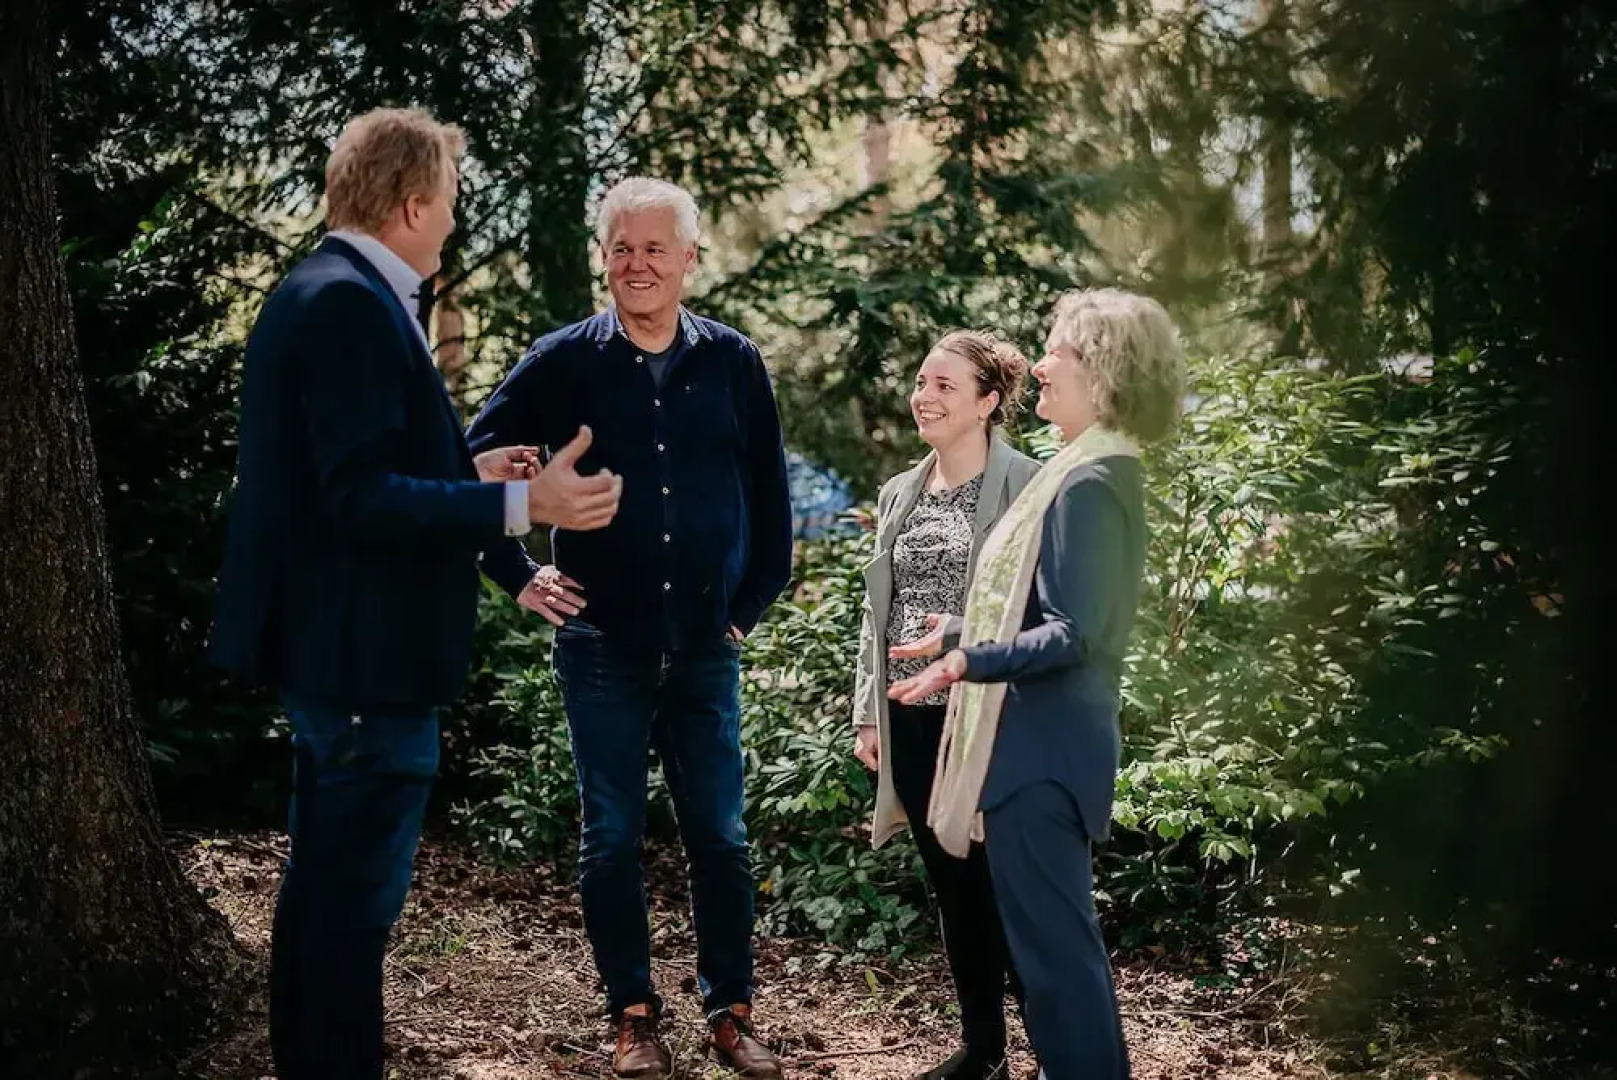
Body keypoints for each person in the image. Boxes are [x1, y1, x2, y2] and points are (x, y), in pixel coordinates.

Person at [207, 107, 620, 1079]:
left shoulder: (326, 289)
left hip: (345, 657)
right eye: (451, 205)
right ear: (411, 202)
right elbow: (356, 499)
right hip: (364, 663)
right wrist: (527, 501)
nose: (453, 224)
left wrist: (466, 473)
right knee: (348, 915)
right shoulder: (350, 301)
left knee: (328, 905)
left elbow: (346, 477)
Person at [466, 177, 794, 1080]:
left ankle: (730, 1012)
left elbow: (770, 500)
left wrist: (744, 609)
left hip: (702, 646)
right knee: (609, 836)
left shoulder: (732, 362)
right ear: (602, 258)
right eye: (622, 248)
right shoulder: (561, 361)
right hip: (600, 642)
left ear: (691, 259)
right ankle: (633, 1016)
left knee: (720, 837)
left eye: (656, 249)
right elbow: (470, 465)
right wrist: (516, 572)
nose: (638, 264)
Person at [889, 288, 1187, 1080]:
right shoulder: (1085, 468)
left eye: (1056, 348)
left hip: (1040, 762)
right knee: (1054, 969)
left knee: (1058, 974)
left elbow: (1077, 634)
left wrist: (969, 661)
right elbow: (1044, 610)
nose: (1042, 363)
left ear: (1102, 369)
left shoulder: (1089, 482)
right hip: (1032, 755)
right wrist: (957, 633)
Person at [851, 331, 1038, 1080]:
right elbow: (875, 614)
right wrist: (868, 710)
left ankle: (1056, 1039)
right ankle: (982, 1050)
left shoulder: (1027, 485)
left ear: (987, 403)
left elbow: (1042, 605)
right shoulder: (899, 489)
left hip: (988, 715)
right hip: (909, 716)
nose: (923, 396)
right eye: (921, 380)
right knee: (953, 884)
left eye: (944, 386)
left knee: (1009, 882)